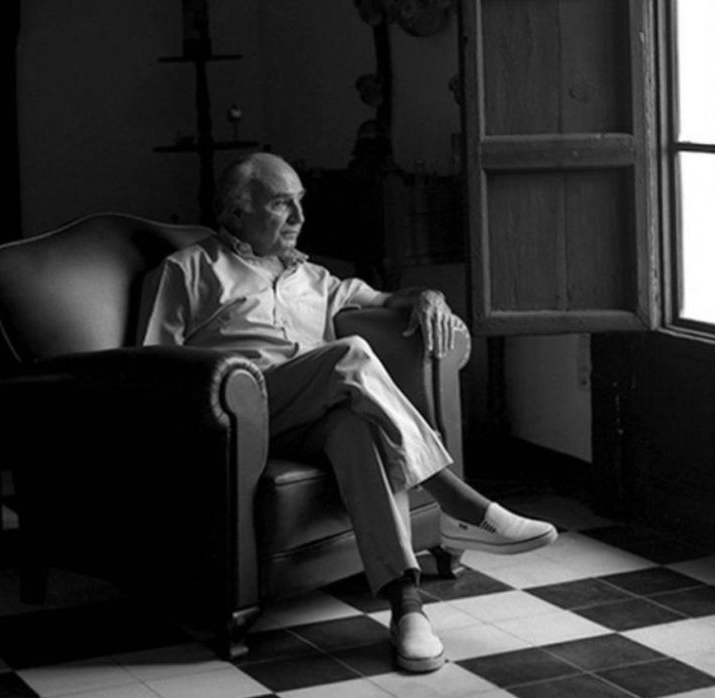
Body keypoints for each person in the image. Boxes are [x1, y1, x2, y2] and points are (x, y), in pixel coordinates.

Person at [138, 152, 558, 673]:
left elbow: (391, 298)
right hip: (235, 421)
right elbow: (150, 368)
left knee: (356, 427)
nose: (299, 217)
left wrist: (429, 296)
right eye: (281, 204)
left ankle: (407, 609)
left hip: (307, 421)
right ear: (236, 211)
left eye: (300, 203)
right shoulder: (188, 270)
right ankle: (460, 502)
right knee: (351, 354)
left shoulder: (317, 278)